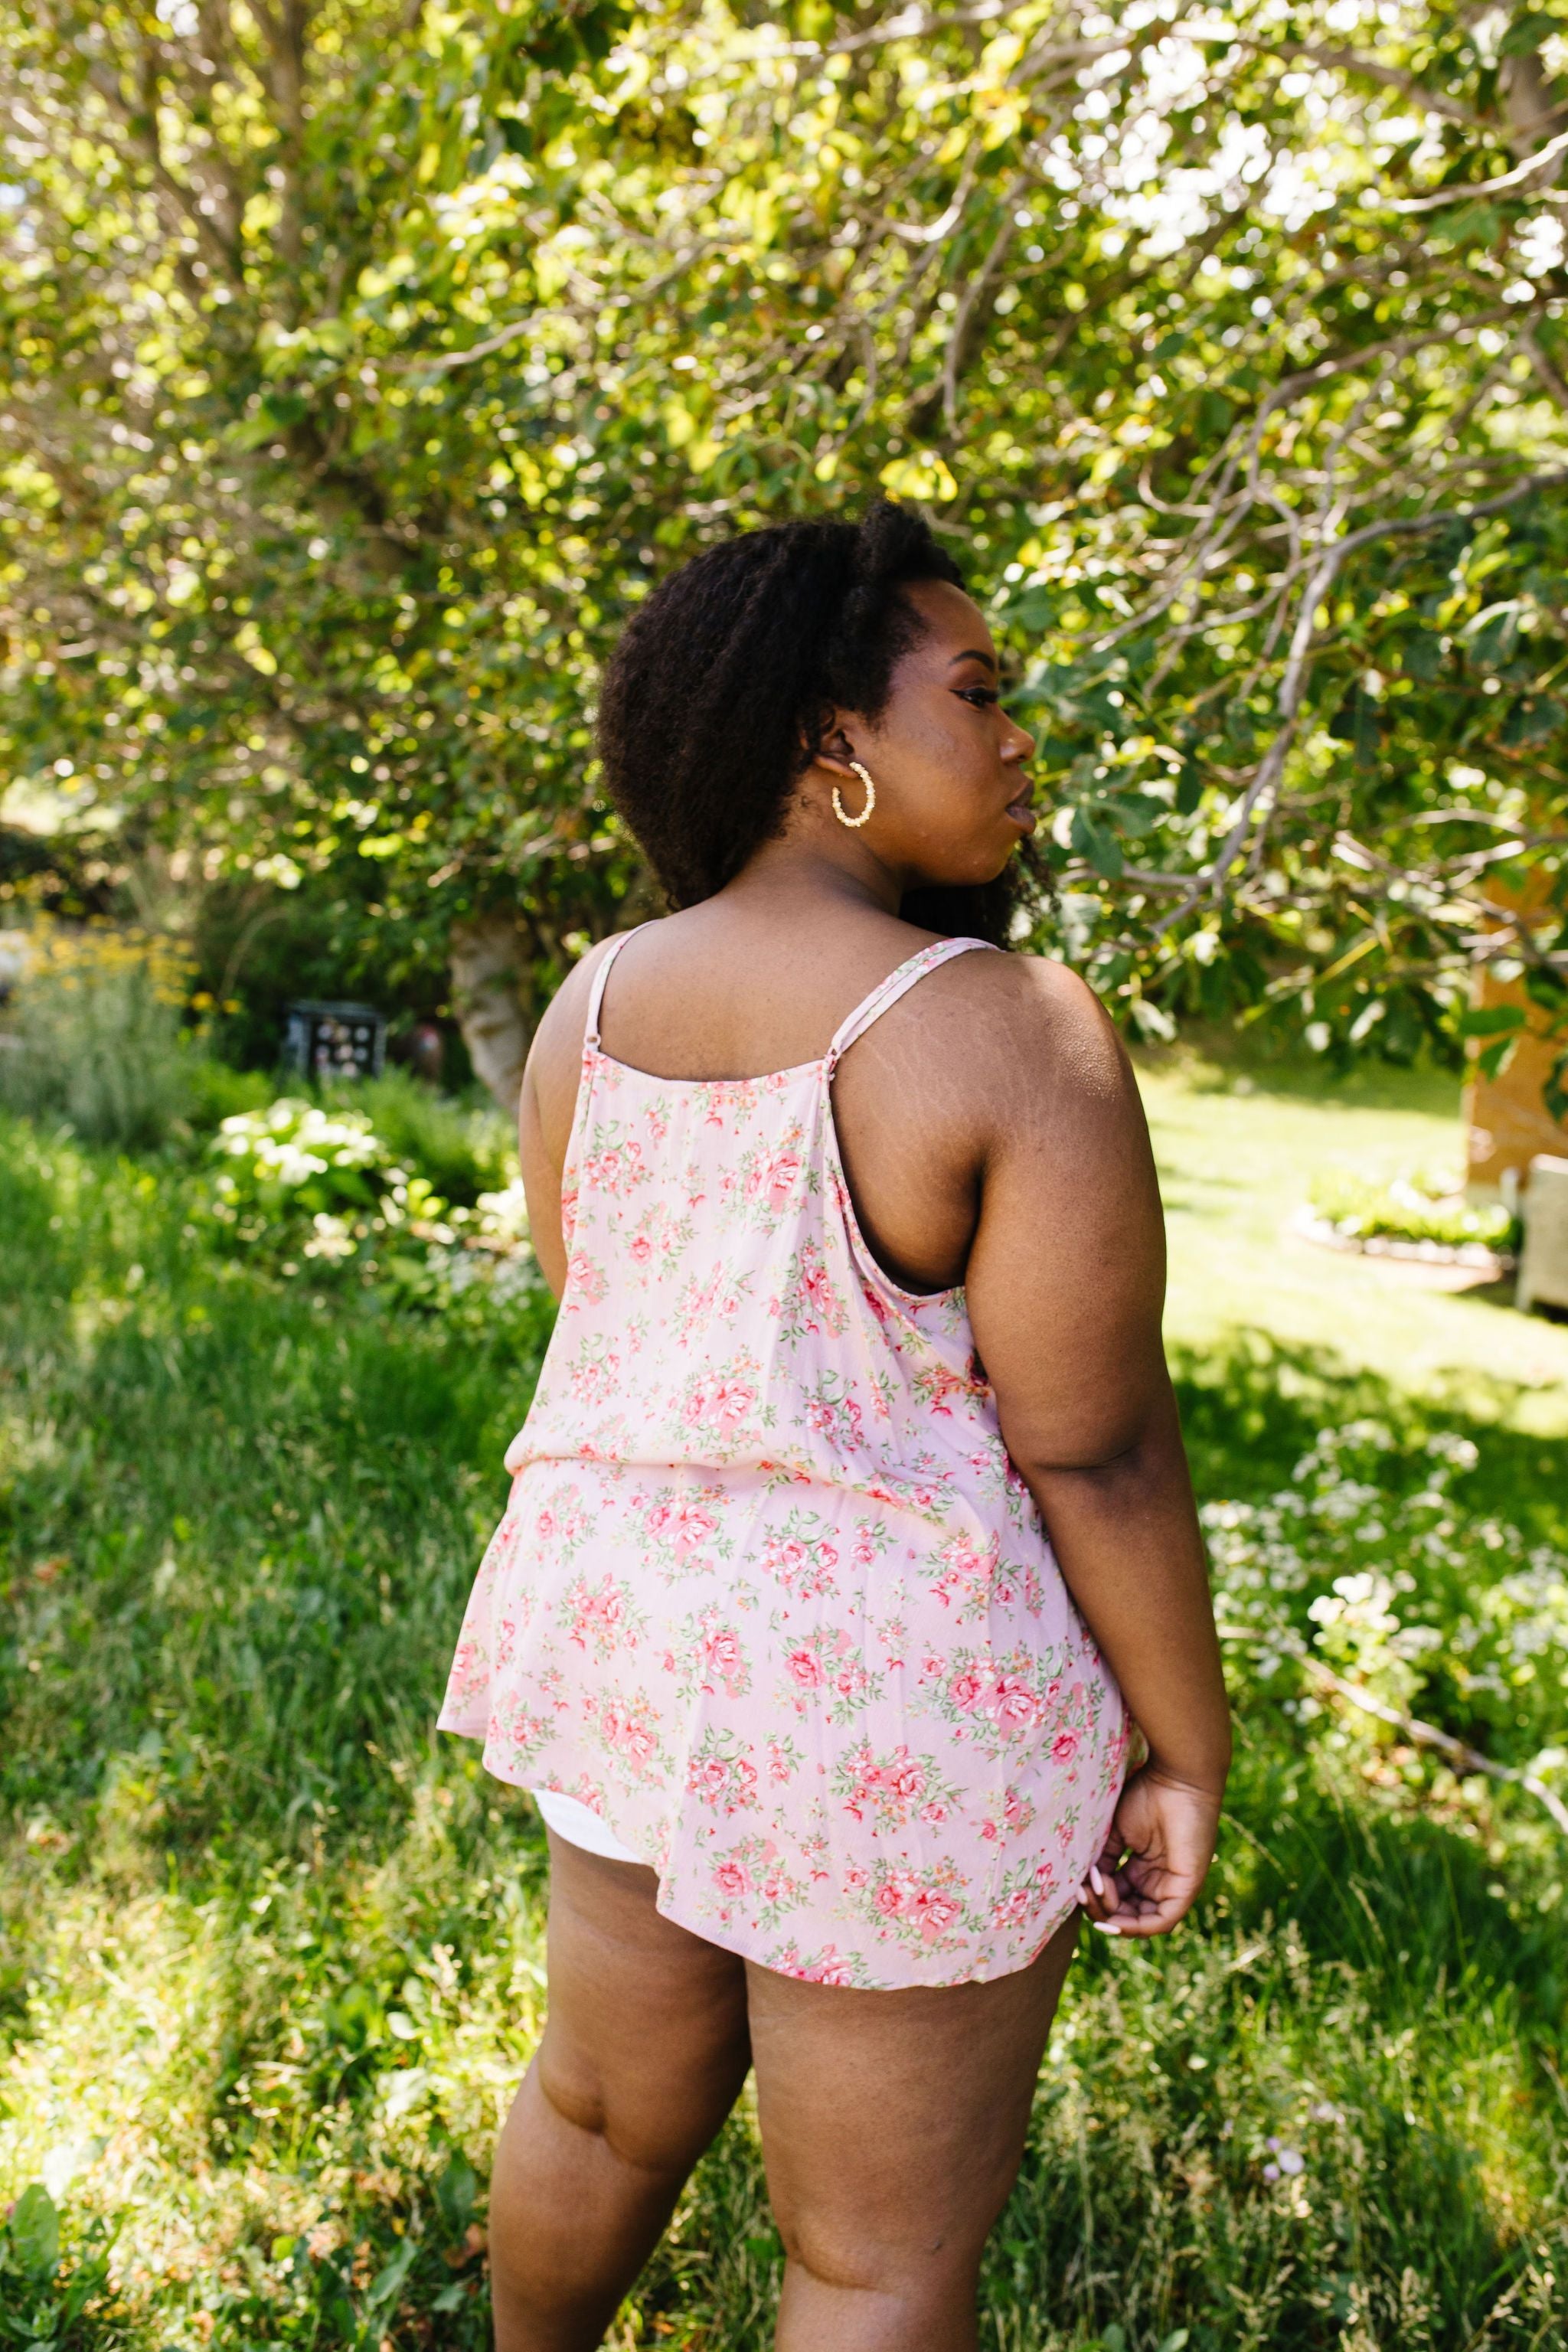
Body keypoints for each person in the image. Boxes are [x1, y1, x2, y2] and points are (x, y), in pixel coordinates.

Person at [438, 501, 1231, 2352]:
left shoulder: (593, 1001)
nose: (1021, 736)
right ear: (828, 743)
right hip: (891, 1693)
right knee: (872, 2259)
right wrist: (1183, 1744)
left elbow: (616, 1321)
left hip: (629, 1641)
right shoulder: (1006, 1030)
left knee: (598, 2101)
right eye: (978, 692)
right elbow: (1095, 1445)